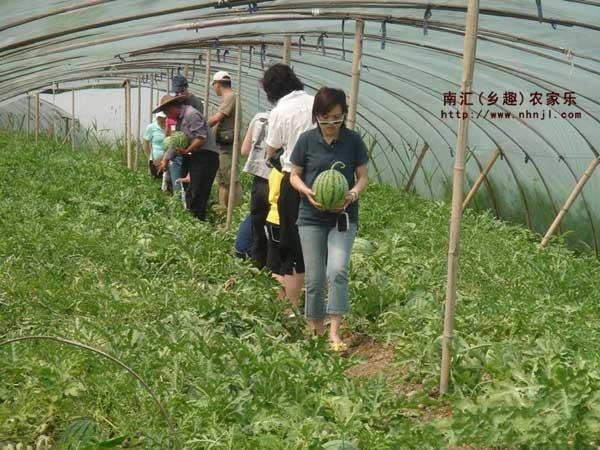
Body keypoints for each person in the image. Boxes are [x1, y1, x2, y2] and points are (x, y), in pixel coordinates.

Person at [290, 87, 369, 351]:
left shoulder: (353, 141)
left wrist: (352, 194)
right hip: (310, 216)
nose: (331, 124)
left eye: (337, 118)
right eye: (325, 118)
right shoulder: (306, 141)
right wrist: (307, 191)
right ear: (316, 117)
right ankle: (316, 330)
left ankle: (335, 333)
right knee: (314, 278)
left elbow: (363, 177)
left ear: (344, 115)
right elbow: (294, 175)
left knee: (336, 271)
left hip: (343, 216)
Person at [261, 64, 314, 313]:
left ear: (271, 90)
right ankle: (316, 303)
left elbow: (271, 150)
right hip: (322, 180)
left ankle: (293, 306)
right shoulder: (317, 102)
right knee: (318, 242)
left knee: (293, 245)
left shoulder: (280, 111)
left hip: (293, 181)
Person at [154, 94, 219, 221]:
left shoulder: (191, 114)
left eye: (166, 113)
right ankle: (193, 220)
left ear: (172, 108)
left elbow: (201, 137)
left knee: (198, 192)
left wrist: (187, 150)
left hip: (207, 157)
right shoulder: (179, 121)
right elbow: (177, 143)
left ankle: (198, 221)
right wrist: (166, 159)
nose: (167, 117)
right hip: (196, 156)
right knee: (191, 191)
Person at [241, 111, 271, 268]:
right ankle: (276, 267)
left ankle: (258, 265)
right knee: (280, 226)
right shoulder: (303, 116)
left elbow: (245, 151)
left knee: (259, 224)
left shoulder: (260, 117)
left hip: (262, 179)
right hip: (286, 180)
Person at [208, 71, 242, 208]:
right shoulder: (229, 98)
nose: (214, 88)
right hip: (222, 146)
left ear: (218, 84)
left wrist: (201, 126)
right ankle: (223, 209)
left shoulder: (231, 97)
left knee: (231, 180)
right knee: (223, 180)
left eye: (214, 85)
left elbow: (217, 118)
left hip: (228, 147)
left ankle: (235, 209)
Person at [265, 167, 286, 301]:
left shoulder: (274, 170)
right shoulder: (284, 172)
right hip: (280, 219)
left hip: (272, 218)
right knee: (281, 266)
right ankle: (281, 302)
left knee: (276, 264)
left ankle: (278, 302)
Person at [143, 111, 166, 180]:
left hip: (167, 159)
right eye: (160, 117)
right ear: (157, 117)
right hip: (155, 160)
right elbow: (146, 143)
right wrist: (149, 157)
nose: (162, 119)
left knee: (167, 183)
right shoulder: (151, 127)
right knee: (156, 180)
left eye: (163, 117)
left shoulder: (171, 126)